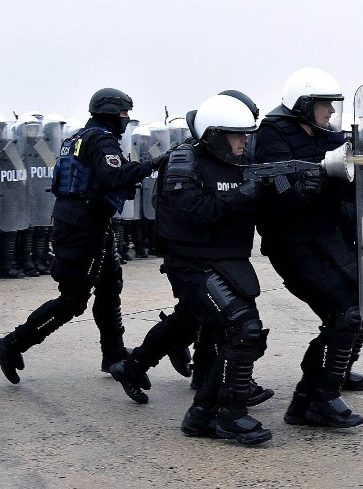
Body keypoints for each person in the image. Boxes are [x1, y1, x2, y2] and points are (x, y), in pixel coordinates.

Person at [108, 94, 272, 445]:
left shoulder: (241, 159)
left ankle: (137, 370)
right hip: (192, 262)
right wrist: (244, 194)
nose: (245, 139)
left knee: (191, 324)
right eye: (237, 133)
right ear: (214, 134)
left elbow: (255, 201)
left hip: (227, 261)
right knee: (239, 329)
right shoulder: (185, 159)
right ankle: (218, 414)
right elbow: (193, 212)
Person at [0, 88, 163, 384]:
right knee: (73, 300)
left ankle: (114, 353)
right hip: (81, 228)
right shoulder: (101, 140)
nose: (126, 119)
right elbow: (114, 177)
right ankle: (11, 344)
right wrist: (153, 163)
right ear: (109, 113)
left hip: (88, 222)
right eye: (123, 114)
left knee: (109, 288)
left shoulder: (80, 138)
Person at [254, 67, 363, 428]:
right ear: (303, 105)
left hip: (328, 239)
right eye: (324, 105)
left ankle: (307, 400)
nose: (331, 112)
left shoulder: (324, 137)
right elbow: (270, 187)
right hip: (293, 244)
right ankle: (320, 400)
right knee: (343, 312)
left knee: (358, 309)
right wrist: (299, 188)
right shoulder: (272, 136)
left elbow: (345, 175)